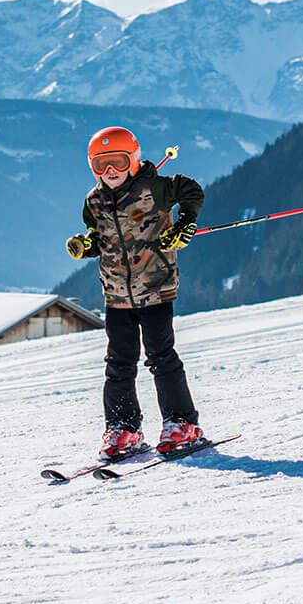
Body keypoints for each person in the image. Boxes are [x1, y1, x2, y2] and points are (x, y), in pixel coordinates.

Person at [66, 127, 207, 459]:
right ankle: (122, 429)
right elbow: (97, 236)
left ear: (133, 159)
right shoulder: (94, 200)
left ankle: (181, 423)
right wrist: (85, 245)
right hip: (116, 295)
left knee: (160, 357)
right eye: (99, 165)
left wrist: (185, 223)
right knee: (118, 363)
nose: (109, 172)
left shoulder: (154, 187)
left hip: (155, 289)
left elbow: (191, 190)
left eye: (116, 162)